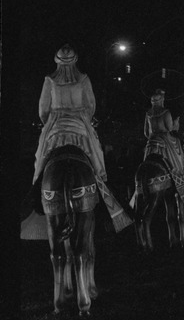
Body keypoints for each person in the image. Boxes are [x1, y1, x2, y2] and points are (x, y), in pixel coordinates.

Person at [31, 44, 131, 230]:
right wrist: (82, 117)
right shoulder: (83, 79)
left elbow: (43, 111)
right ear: (76, 60)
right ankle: (101, 182)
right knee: (95, 155)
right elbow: (90, 106)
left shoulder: (50, 80)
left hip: (56, 127)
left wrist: (53, 121)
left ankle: (38, 187)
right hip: (79, 125)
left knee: (41, 158)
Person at [143, 89, 184, 206]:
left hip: (152, 141)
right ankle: (180, 181)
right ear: (161, 100)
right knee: (177, 155)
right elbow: (169, 128)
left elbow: (146, 133)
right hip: (164, 140)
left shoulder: (148, 114)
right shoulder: (165, 112)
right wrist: (176, 123)